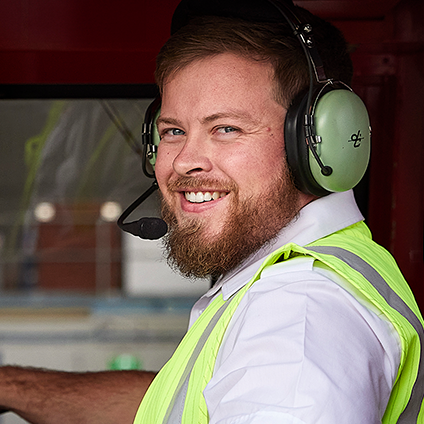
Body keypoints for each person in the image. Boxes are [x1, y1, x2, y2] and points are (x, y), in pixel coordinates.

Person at [0, 0, 423, 423]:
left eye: (226, 129)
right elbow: (171, 407)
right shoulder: (290, 279)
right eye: (173, 131)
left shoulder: (300, 318)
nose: (184, 161)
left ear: (317, 142)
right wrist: (11, 387)